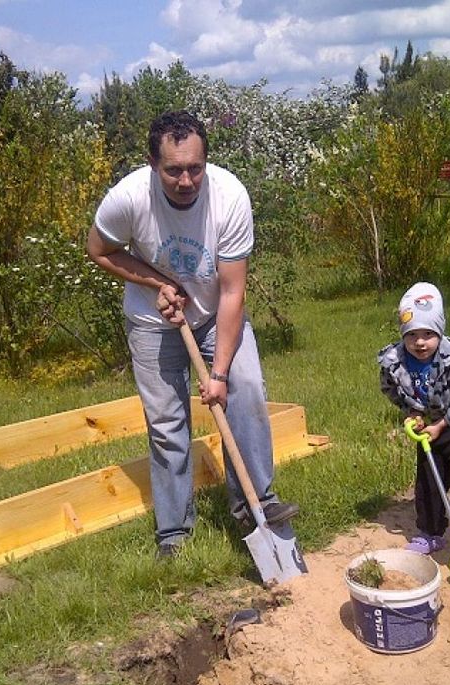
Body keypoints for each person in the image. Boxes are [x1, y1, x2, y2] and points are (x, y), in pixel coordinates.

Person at [86, 110, 296, 559]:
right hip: (152, 322)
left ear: (206, 162)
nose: (186, 181)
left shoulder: (229, 196)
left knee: (246, 387)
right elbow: (99, 250)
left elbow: (234, 292)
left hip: (216, 313)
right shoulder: (128, 198)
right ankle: (174, 532)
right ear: (152, 164)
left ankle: (256, 505)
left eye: (195, 168)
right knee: (166, 424)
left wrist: (218, 375)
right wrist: (155, 282)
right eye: (174, 170)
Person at [377, 282, 450, 556]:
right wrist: (412, 411)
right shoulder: (395, 361)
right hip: (430, 423)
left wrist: (441, 425)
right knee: (428, 478)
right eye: (412, 335)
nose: (420, 342)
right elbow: (390, 388)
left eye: (428, 334)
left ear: (439, 331)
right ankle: (431, 532)